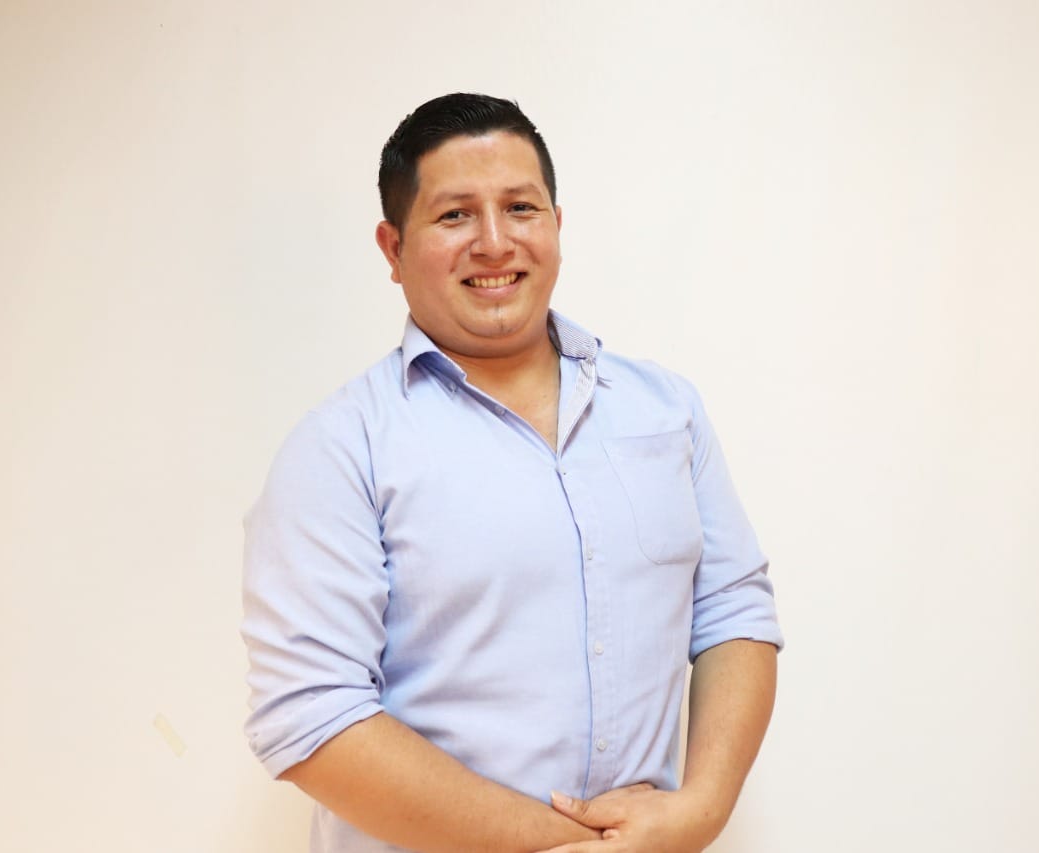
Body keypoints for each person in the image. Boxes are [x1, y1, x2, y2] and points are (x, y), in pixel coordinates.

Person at [241, 93, 783, 853]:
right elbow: (312, 718)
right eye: (455, 215)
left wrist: (702, 809)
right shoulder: (340, 448)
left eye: (520, 208)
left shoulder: (664, 409)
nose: (495, 243)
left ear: (556, 224)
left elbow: (733, 612)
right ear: (393, 249)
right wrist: (570, 843)